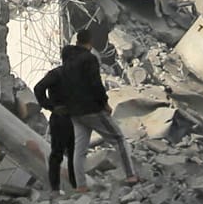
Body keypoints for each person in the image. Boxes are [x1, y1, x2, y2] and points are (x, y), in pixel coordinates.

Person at [50, 38, 140, 185]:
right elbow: (96, 88)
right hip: (93, 111)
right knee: (118, 139)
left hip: (76, 115)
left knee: (79, 151)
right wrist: (104, 104)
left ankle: (80, 185)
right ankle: (131, 176)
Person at [30, 57, 83, 192]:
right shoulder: (56, 74)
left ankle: (75, 186)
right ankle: (55, 188)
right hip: (60, 118)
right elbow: (38, 88)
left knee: (74, 153)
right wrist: (51, 106)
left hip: (75, 118)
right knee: (57, 154)